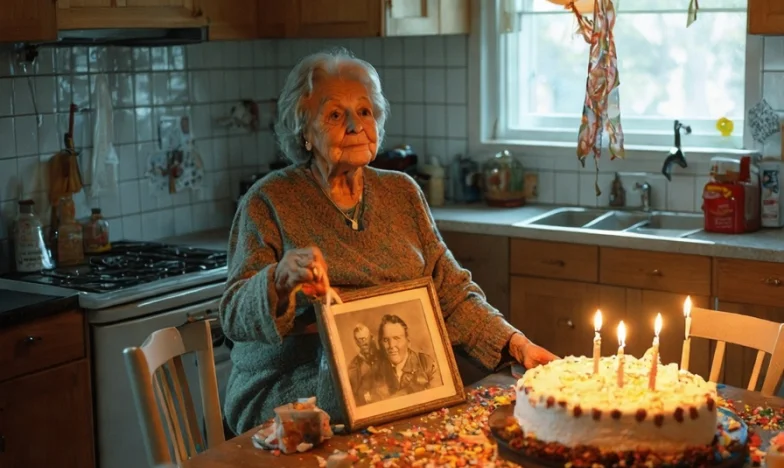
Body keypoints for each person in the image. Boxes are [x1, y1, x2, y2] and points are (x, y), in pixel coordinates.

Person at [219, 47, 557, 436]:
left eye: (364, 111)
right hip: (296, 389)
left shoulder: (402, 192)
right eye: (335, 115)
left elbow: (452, 294)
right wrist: (279, 280)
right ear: (304, 132)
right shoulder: (269, 200)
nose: (355, 125)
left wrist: (516, 344)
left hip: (394, 388)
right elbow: (233, 315)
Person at [347, 323, 379, 402]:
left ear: (372, 338)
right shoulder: (353, 366)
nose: (365, 343)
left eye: (366, 338)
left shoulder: (383, 357)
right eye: (360, 340)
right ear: (356, 342)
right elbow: (355, 393)